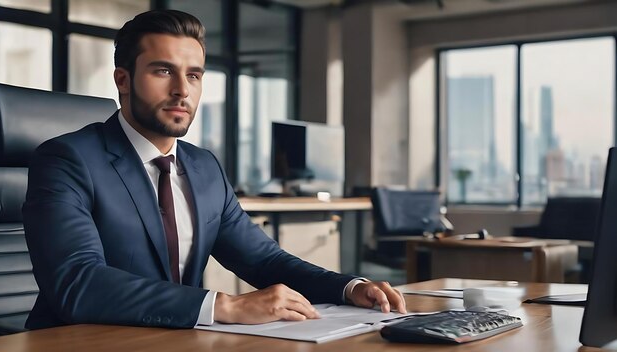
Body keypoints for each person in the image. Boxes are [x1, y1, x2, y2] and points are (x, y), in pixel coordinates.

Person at [22, 9, 406, 330]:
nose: (182, 91)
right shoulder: (66, 160)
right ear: (123, 80)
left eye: (193, 75)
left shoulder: (202, 167)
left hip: (173, 340)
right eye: (162, 71)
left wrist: (349, 288)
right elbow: (78, 283)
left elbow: (264, 261)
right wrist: (223, 306)